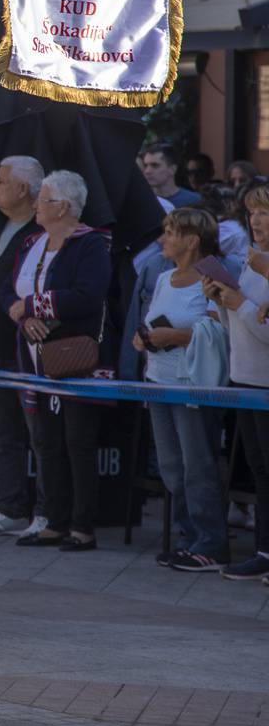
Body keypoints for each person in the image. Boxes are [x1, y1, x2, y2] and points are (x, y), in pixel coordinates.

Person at [8, 170, 114, 558]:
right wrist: (23, 316)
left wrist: (33, 306)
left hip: (75, 359)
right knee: (45, 441)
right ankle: (53, 521)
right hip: (33, 357)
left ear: (63, 207)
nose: (36, 204)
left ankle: (82, 526)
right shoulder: (32, 241)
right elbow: (9, 288)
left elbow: (88, 294)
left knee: (77, 442)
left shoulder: (91, 244)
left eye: (44, 199)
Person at [134, 206, 230, 573]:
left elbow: (219, 331)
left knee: (197, 464)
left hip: (193, 385)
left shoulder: (214, 276)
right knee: (172, 467)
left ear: (191, 241)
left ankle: (211, 542)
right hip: (159, 382)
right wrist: (144, 338)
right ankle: (188, 536)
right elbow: (149, 322)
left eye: (170, 233)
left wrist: (172, 336)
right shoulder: (163, 277)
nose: (163, 239)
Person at [0, 156, 47, 538]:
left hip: (25, 353)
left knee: (40, 435)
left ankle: (46, 512)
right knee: (1, 435)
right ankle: (11, 507)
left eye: (1, 181)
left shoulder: (41, 231)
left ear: (22, 189)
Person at [208, 182, 269, 581]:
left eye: (264, 212)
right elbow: (245, 323)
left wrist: (240, 305)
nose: (256, 219)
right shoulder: (252, 259)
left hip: (265, 382)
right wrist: (221, 302)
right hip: (243, 376)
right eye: (251, 212)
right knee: (259, 469)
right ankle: (264, 550)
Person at [138, 144, 200, 210]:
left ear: (172, 169)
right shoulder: (140, 200)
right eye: (145, 165)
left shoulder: (194, 200)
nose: (147, 171)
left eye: (155, 165)